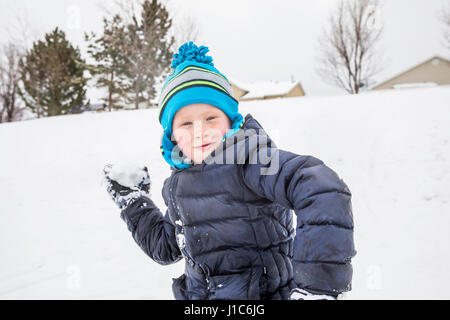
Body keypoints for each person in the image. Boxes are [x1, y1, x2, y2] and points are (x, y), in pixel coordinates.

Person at [102, 41, 356, 300]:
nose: (199, 131)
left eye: (211, 118)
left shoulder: (252, 159)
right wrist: (132, 201)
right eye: (186, 123)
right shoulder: (177, 186)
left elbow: (320, 188)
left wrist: (318, 287)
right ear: (172, 136)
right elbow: (166, 248)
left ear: (230, 120)